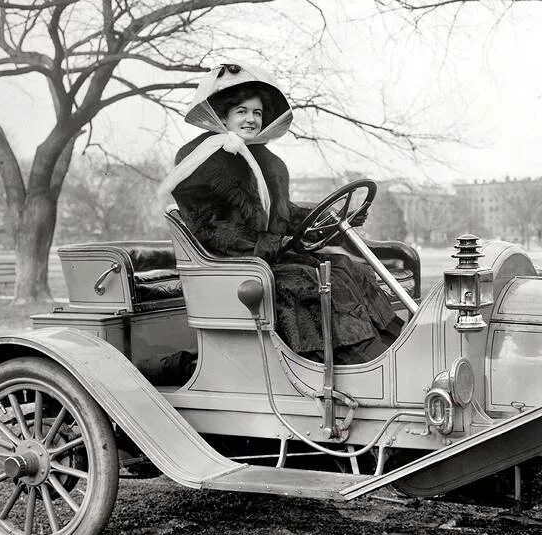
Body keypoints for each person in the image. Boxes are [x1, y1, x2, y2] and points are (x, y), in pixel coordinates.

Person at [164, 63, 401, 364]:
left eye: (257, 113)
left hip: (271, 257)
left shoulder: (268, 162)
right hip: (236, 265)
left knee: (346, 267)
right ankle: (339, 361)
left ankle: (383, 347)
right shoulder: (200, 159)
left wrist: (333, 218)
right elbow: (208, 227)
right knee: (304, 281)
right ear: (223, 115)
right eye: (242, 111)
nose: (251, 119)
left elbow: (284, 214)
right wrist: (270, 244)